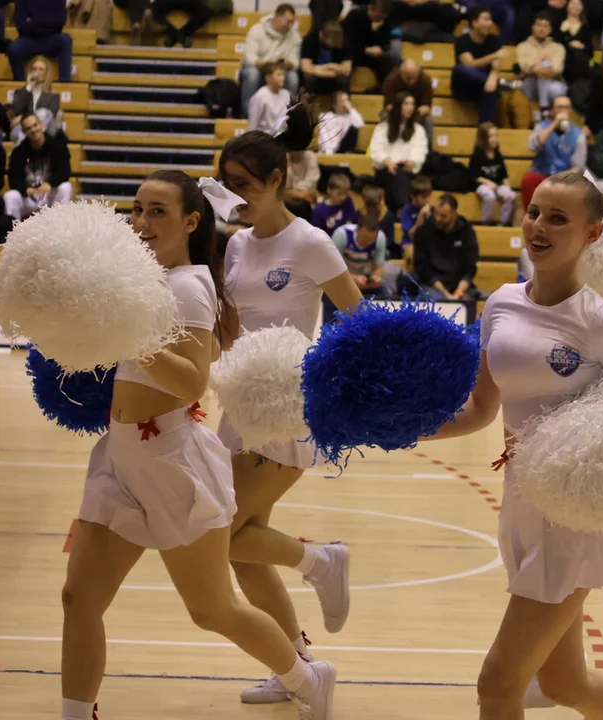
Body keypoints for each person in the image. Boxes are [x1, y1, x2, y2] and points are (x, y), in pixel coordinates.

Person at [59, 169, 337, 720]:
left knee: (212, 610)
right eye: (136, 209)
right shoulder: (138, 277)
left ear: (191, 221)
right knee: (79, 599)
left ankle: (305, 678)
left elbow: (190, 380)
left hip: (171, 464)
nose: (141, 221)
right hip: (119, 459)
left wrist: (129, 336)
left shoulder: (188, 284)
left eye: (157, 211)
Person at [425, 170, 603, 720]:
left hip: (574, 518)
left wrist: (602, 467)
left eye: (559, 218)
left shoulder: (602, 321)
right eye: (535, 211)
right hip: (522, 503)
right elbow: (481, 409)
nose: (539, 226)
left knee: (499, 684)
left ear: (592, 234)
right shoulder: (501, 303)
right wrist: (402, 427)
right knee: (565, 683)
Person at [215, 125, 365, 707]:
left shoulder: (310, 243)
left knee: (219, 536)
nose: (236, 194)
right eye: (227, 185)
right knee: (242, 552)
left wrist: (327, 384)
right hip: (238, 404)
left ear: (278, 179)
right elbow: (232, 328)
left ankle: (321, 561)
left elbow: (358, 319)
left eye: (245, 183)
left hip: (289, 408)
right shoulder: (235, 243)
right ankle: (297, 667)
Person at [4, 113, 73, 221]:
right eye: (28, 128)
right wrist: (26, 190)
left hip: (49, 194)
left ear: (41, 125)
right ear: (24, 132)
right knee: (10, 196)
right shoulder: (18, 152)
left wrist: (50, 184)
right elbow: (13, 180)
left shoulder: (57, 146)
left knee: (65, 187)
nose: (33, 130)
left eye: (35, 125)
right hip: (29, 196)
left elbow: (65, 172)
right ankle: (12, 233)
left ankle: (60, 228)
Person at [521, 95, 586, 208]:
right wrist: (554, 124)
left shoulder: (578, 134)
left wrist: (558, 180)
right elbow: (533, 147)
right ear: (552, 110)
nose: (563, 111)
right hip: (541, 172)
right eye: (559, 107)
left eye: (566, 107)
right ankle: (532, 215)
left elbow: (577, 167)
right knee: (528, 179)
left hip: (564, 176)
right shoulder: (542, 127)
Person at [369, 92, 429, 212]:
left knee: (400, 174)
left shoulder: (418, 130)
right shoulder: (382, 128)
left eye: (412, 104)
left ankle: (397, 211)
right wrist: (388, 162)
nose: (410, 107)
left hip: (407, 171)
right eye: (406, 104)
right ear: (398, 106)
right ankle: (404, 209)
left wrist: (412, 162)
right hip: (385, 170)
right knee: (396, 174)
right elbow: (376, 150)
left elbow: (420, 151)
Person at [412, 194, 479, 300]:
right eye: (436, 214)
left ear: (454, 215)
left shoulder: (467, 232)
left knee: (467, 302)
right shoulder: (424, 231)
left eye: (443, 216)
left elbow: (470, 268)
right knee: (435, 299)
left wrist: (458, 294)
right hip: (432, 285)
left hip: (458, 286)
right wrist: (446, 295)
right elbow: (422, 269)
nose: (438, 219)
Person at [239, 5, 301, 116]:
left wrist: (283, 63)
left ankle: (288, 116)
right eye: (288, 21)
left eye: (292, 22)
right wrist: (268, 62)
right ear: (277, 16)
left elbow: (295, 63)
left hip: (281, 69)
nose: (290, 25)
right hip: (259, 68)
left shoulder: (294, 36)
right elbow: (249, 58)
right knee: (251, 73)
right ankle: (248, 115)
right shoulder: (257, 30)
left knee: (293, 77)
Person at [452, 8, 508, 125]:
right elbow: (469, 64)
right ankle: (498, 83)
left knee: (490, 91)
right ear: (475, 22)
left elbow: (496, 65)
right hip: (464, 87)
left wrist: (493, 77)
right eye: (486, 19)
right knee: (459, 69)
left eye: (490, 19)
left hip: (483, 87)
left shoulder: (493, 40)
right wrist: (494, 55)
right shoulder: (462, 40)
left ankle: (486, 130)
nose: (490, 23)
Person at [8, 0, 72, 82]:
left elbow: (60, 21)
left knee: (65, 40)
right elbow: (21, 25)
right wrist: (47, 23)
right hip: (28, 40)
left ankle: (65, 83)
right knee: (13, 48)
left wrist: (32, 21)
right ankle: (21, 84)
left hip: (50, 39)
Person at [518, 12, 568, 111]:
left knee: (558, 89)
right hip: (531, 84)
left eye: (545, 26)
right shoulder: (523, 46)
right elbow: (524, 66)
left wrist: (542, 68)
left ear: (550, 29)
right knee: (544, 64)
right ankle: (544, 108)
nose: (542, 29)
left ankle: (543, 109)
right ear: (533, 27)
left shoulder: (558, 47)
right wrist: (539, 69)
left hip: (552, 83)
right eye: (539, 25)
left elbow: (558, 68)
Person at [470, 122, 517, 226]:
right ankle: (485, 223)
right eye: (490, 136)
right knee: (490, 196)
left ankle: (502, 224)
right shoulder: (477, 155)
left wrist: (508, 189)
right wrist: (488, 183)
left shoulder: (498, 155)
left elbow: (504, 175)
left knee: (511, 196)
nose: (494, 139)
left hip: (497, 185)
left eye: (496, 135)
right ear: (483, 138)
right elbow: (474, 176)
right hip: (481, 185)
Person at [8, 58, 62, 142]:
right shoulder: (21, 92)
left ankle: (27, 143)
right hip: (22, 128)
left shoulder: (53, 97)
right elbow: (16, 109)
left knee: (43, 112)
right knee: (19, 133)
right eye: (35, 69)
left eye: (41, 69)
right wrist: (28, 87)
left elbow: (50, 116)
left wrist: (22, 117)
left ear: (46, 74)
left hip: (46, 130)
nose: (37, 72)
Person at [299, 19, 351, 98]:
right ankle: (307, 107)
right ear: (322, 35)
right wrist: (331, 66)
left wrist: (317, 69)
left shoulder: (344, 41)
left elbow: (346, 70)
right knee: (308, 77)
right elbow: (306, 68)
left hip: (331, 77)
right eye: (330, 43)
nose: (332, 46)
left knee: (344, 79)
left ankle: (343, 107)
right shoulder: (310, 39)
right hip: (317, 77)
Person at [247, 62, 292, 133]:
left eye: (283, 74)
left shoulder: (286, 94)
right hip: (265, 139)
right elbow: (253, 125)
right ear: (268, 78)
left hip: (282, 138)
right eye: (279, 75)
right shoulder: (260, 96)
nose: (283, 78)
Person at [317, 90, 364, 155]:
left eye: (347, 100)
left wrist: (351, 109)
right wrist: (329, 153)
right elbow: (324, 137)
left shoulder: (349, 117)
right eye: (342, 101)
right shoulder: (326, 117)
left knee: (353, 130)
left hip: (343, 149)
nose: (345, 104)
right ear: (334, 104)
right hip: (329, 151)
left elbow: (360, 124)